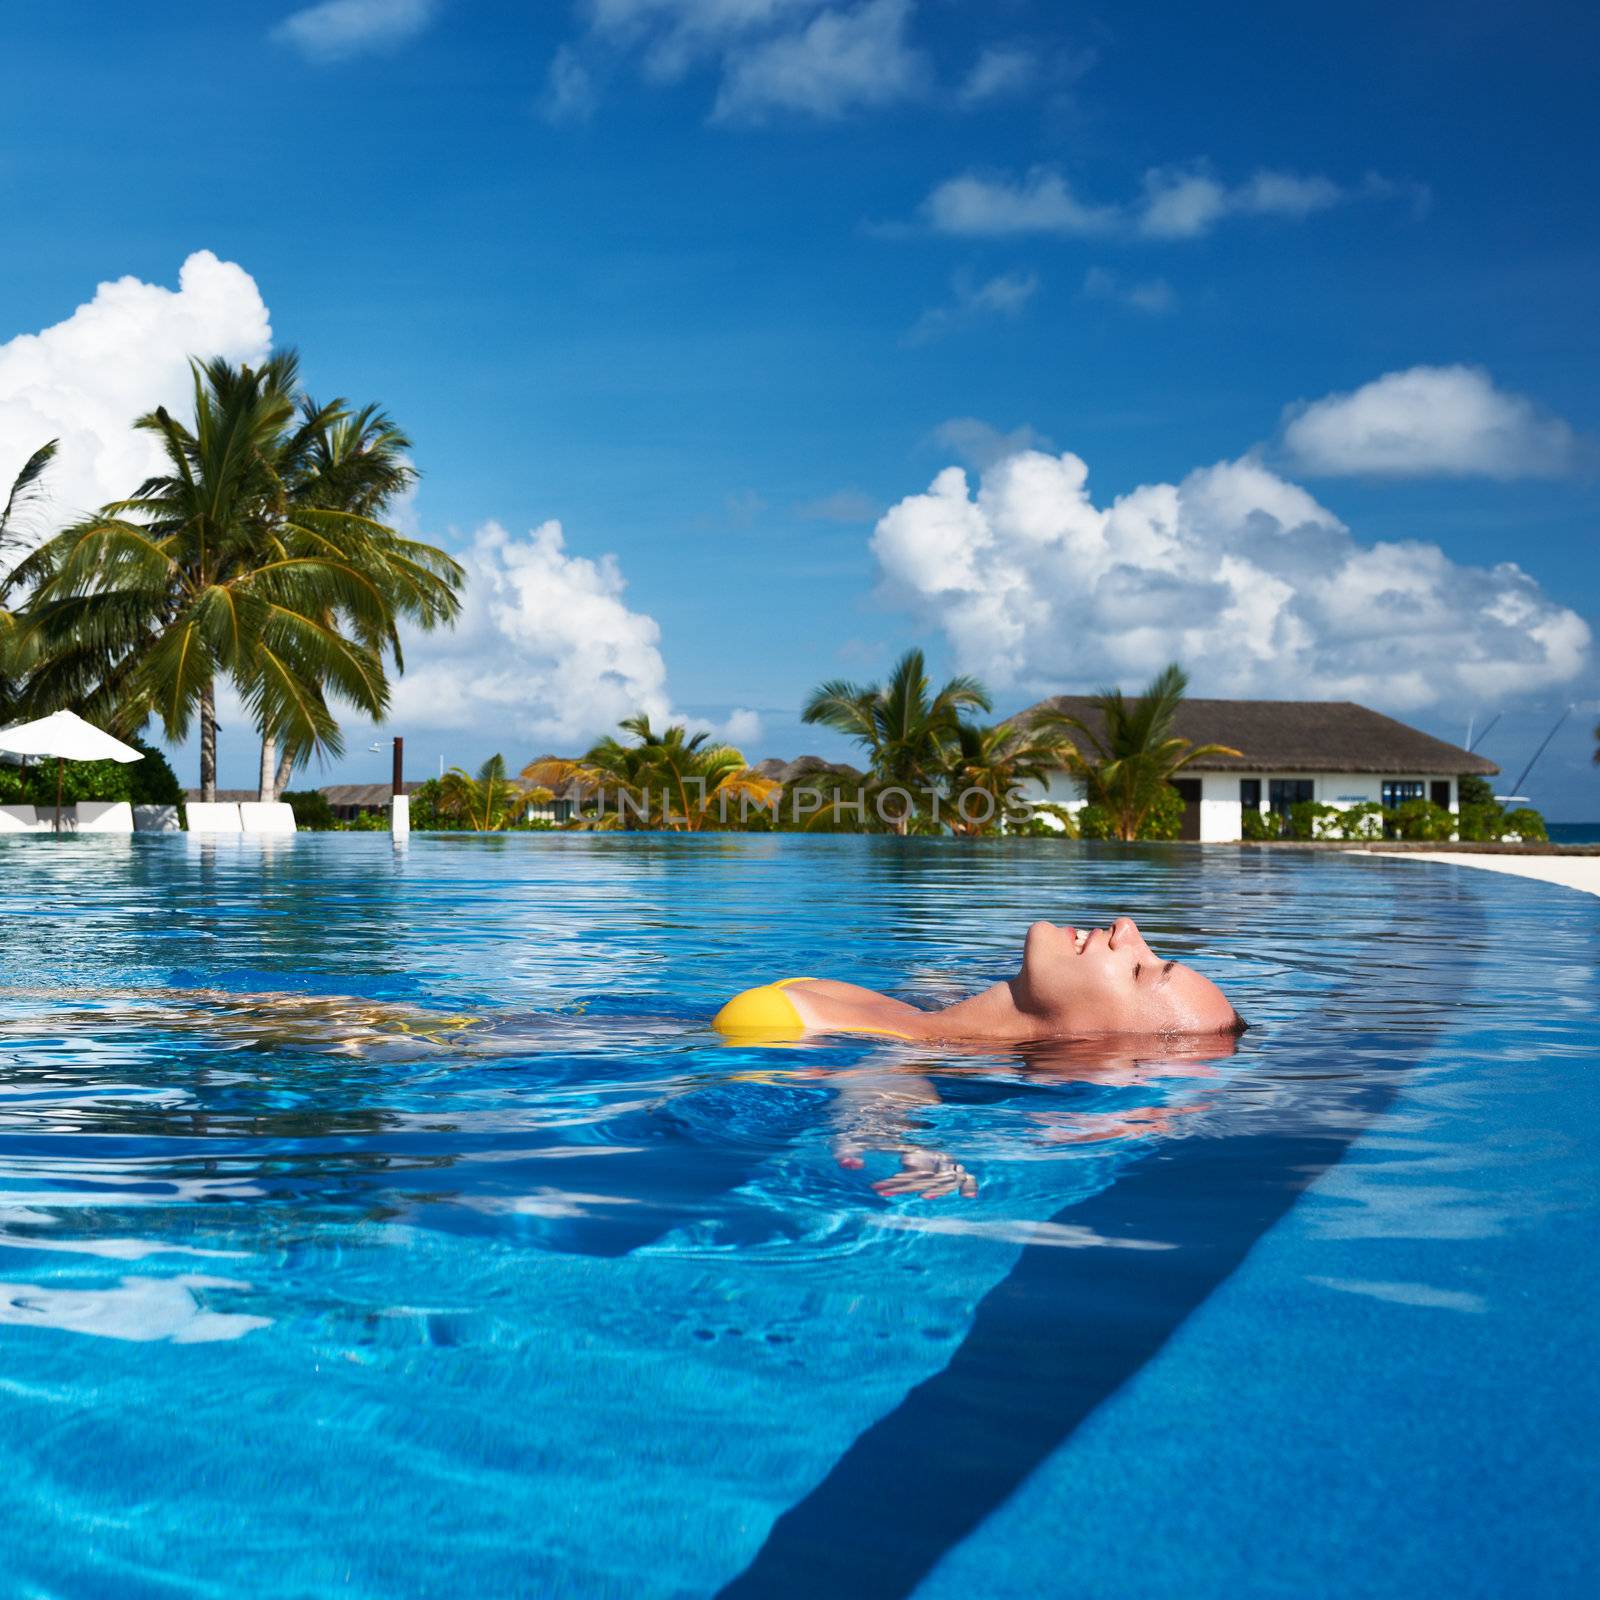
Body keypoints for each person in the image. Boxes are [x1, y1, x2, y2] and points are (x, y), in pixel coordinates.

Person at [713, 916, 1246, 1044]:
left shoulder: (791, 1028)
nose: (1126, 928)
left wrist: (885, 1134)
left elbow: (885, 1095)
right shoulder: (910, 1017)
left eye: (1138, 969)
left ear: (1090, 1038)